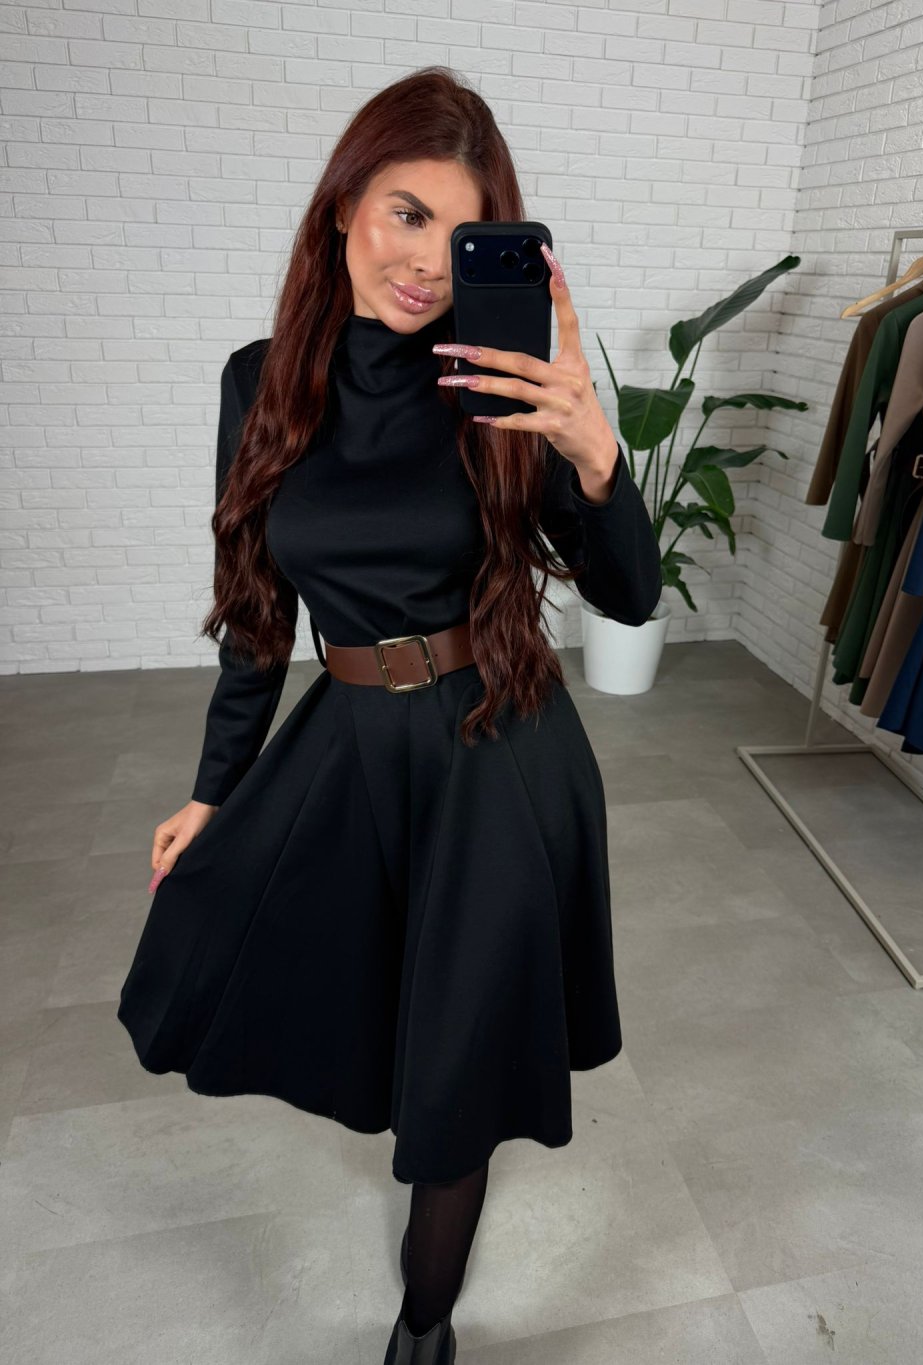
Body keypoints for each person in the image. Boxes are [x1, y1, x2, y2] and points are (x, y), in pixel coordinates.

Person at [117, 65, 663, 1364]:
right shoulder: (262, 383)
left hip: (498, 757)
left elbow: (630, 595)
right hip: (352, 748)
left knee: (458, 1074)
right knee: (332, 991)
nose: (425, 262)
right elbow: (257, 616)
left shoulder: (501, 386)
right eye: (406, 213)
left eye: (460, 230)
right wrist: (212, 789)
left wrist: (594, 454)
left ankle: (424, 1331)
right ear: (343, 206)